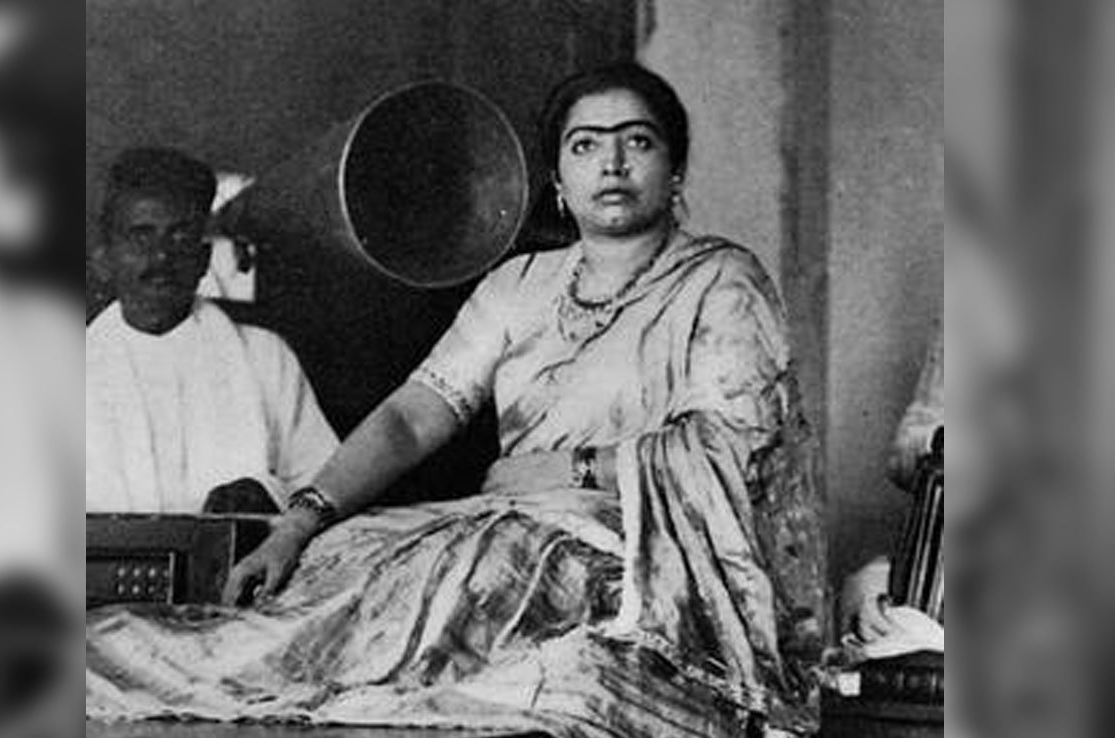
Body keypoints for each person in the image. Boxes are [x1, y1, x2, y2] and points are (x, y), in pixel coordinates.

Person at [87, 66, 824, 737]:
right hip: (516, 526)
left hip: (642, 556)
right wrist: (301, 521)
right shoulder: (519, 284)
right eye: (586, 145)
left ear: (675, 169)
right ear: (558, 178)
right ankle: (172, 668)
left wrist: (574, 470)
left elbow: (738, 448)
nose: (613, 164)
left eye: (638, 141)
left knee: (492, 559)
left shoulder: (722, 281)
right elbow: (413, 417)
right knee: (341, 554)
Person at [86, 147, 339, 513]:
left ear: (204, 259)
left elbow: (326, 486)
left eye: (180, 236)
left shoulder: (265, 357)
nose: (162, 257)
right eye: (141, 236)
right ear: (104, 261)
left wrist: (267, 494)